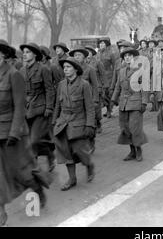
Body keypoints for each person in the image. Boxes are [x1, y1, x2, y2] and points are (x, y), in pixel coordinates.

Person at [0, 40, 50, 227]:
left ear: (3, 55)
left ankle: (37, 188)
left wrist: (14, 133)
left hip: (14, 133)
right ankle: (1, 210)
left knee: (23, 172)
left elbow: (20, 108)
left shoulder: (14, 75)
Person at [52, 57, 95, 191]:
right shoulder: (61, 85)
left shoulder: (84, 84)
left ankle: (89, 164)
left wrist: (89, 125)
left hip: (78, 122)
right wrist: (54, 121)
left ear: (76, 69)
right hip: (63, 123)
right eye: (64, 67)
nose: (65, 69)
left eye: (68, 67)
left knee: (79, 150)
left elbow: (89, 107)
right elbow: (57, 105)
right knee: (66, 153)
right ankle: (72, 179)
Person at [19, 42, 56, 172]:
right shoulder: (22, 71)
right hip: (26, 110)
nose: (24, 55)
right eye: (23, 52)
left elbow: (49, 89)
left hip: (41, 109)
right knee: (30, 140)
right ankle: (49, 155)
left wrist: (49, 108)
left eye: (28, 52)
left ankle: (34, 166)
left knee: (34, 140)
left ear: (35, 54)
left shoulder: (43, 69)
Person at [111, 47, 149, 161]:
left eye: (130, 55)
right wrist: (113, 100)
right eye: (125, 56)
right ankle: (131, 151)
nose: (127, 58)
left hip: (136, 103)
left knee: (135, 128)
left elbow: (145, 87)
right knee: (125, 129)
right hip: (123, 104)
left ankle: (138, 150)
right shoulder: (121, 71)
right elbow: (118, 87)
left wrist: (144, 102)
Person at [70, 47, 98, 150]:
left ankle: (91, 140)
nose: (77, 57)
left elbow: (95, 86)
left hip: (88, 99)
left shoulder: (90, 69)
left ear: (84, 57)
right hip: (76, 100)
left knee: (89, 121)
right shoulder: (72, 70)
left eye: (79, 55)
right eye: (75, 55)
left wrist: (95, 100)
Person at [85, 45, 107, 134]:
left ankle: (98, 122)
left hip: (97, 88)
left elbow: (103, 75)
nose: (88, 54)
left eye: (89, 52)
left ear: (92, 53)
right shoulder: (82, 64)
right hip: (86, 89)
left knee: (97, 108)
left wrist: (104, 87)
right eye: (86, 52)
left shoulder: (97, 63)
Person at [97, 37, 117, 119]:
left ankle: (109, 110)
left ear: (106, 45)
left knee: (107, 94)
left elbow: (115, 65)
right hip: (99, 76)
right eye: (100, 43)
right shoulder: (97, 54)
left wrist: (114, 77)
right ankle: (107, 108)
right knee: (101, 94)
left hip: (108, 76)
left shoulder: (110, 54)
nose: (101, 45)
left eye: (103, 43)